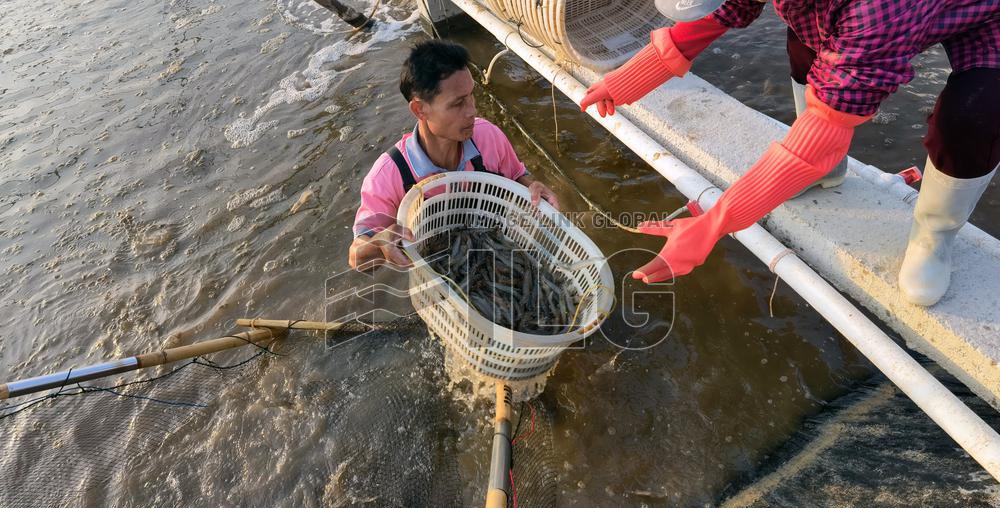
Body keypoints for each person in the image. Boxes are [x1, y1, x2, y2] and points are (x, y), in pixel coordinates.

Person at [581, 0, 999, 306]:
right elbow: (724, 9)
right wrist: (627, 79)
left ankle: (934, 235)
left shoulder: (876, 12)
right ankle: (830, 173)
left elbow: (825, 130)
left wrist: (713, 224)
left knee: (972, 117)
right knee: (809, 42)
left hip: (985, 18)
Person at [349, 40, 559, 271]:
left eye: (471, 96)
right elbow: (358, 258)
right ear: (420, 109)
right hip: (436, 280)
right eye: (458, 103)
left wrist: (533, 186)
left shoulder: (488, 136)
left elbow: (516, 178)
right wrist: (378, 245)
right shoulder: (390, 175)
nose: (472, 111)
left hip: (496, 255)